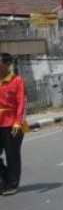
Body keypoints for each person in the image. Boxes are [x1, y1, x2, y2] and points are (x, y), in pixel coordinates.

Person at [0, 52, 27, 196]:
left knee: (12, 155)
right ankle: (5, 179)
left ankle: (12, 184)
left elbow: (22, 103)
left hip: (11, 123)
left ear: (7, 64)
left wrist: (18, 122)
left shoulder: (17, 81)